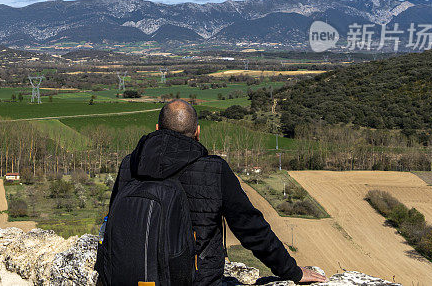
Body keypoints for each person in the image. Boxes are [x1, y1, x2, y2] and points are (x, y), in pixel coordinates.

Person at [104, 99, 327, 285]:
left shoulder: (129, 164)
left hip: (132, 277)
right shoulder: (213, 169)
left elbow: (113, 223)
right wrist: (292, 271)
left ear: (156, 129)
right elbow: (250, 227)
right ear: (198, 133)